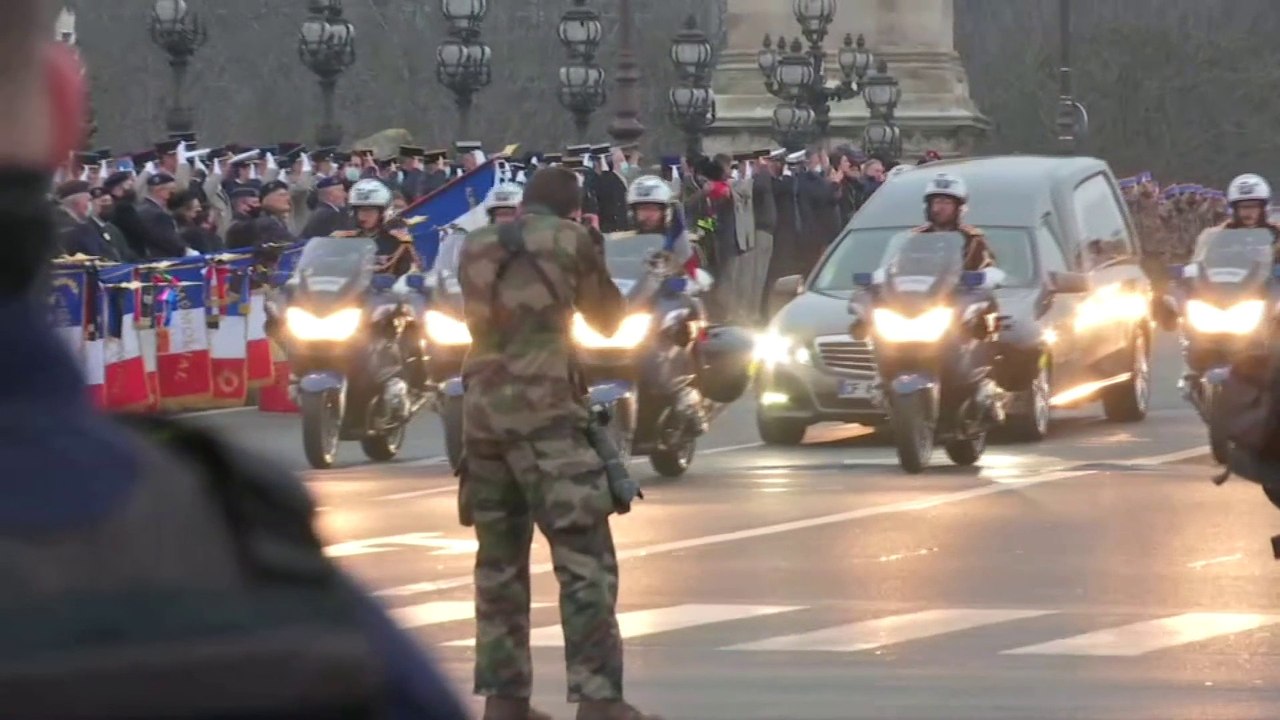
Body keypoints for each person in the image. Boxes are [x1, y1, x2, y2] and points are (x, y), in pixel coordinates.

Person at [0, 2, 468, 719]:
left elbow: (413, 270)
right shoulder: (234, 568)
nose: (366, 215)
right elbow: (307, 260)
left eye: (371, 209)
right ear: (66, 107)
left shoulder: (399, 235)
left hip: (388, 309)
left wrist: (401, 275)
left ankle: (402, 390)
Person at [457, 166, 663, 720]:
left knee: (498, 566)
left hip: (480, 418)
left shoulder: (474, 243)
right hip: (547, 417)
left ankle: (505, 703)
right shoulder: (573, 240)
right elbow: (608, 320)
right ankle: (599, 701)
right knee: (584, 562)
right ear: (573, 210)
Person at [912, 172, 995, 271]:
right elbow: (897, 271)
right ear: (929, 206)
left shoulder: (973, 240)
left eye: (947, 203)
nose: (941, 207)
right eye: (937, 202)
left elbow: (988, 270)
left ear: (959, 208)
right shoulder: (915, 239)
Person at [338, 178, 419, 277]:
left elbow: (410, 272)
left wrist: (393, 283)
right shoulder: (345, 239)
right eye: (360, 210)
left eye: (369, 210)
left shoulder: (397, 241)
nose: (363, 216)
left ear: (382, 212)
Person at [1194, 174, 1280, 254]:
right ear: (1234, 209)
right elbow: (1200, 263)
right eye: (1243, 207)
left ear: (1264, 208)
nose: (1248, 212)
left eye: (1254, 206)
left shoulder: (1277, 233)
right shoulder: (1214, 236)